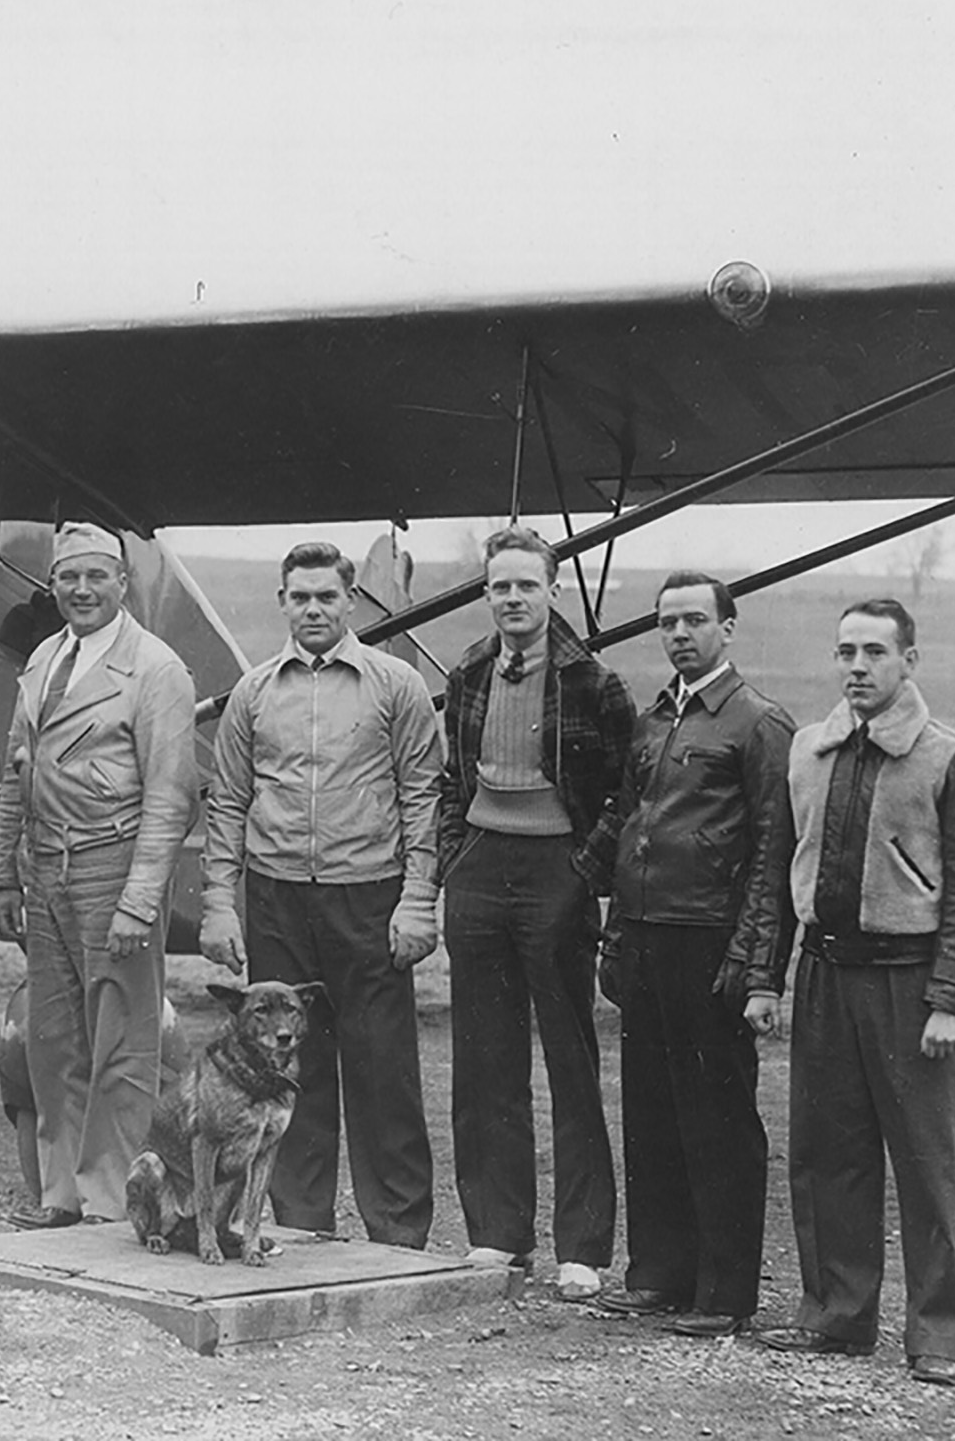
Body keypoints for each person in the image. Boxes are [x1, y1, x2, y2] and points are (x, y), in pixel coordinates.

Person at [757, 598, 955, 1387]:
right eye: (846, 652)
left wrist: (952, 1001)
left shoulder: (948, 758)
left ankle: (938, 1333)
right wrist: (766, 978)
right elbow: (781, 870)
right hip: (824, 976)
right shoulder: (808, 750)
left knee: (924, 1164)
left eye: (874, 652)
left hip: (908, 982)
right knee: (827, 1155)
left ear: (908, 661)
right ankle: (838, 1314)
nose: (857, 667)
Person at [200, 542, 441, 1247]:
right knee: (282, 1068)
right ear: (282, 602)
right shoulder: (253, 692)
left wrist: (418, 898)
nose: (313, 609)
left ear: (350, 601)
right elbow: (228, 801)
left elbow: (423, 795)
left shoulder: (395, 685)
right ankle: (299, 1226)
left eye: (327, 597)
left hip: (367, 896)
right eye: (300, 597)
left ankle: (397, 1235)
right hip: (277, 899)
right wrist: (218, 902)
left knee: (382, 1069)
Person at [593, 573, 795, 1336]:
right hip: (646, 938)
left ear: (727, 628)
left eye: (695, 620)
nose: (679, 634)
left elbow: (773, 854)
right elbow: (630, 826)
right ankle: (658, 1274)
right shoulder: (655, 719)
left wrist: (754, 964)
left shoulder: (757, 723)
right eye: (667, 622)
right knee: (651, 1112)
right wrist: (616, 935)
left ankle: (724, 1292)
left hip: (710, 943)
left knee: (717, 1117)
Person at [439, 524, 631, 1301]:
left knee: (570, 1059)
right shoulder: (468, 671)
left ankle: (581, 1247)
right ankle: (497, 1232)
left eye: (526, 585)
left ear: (552, 591)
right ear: (486, 594)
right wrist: (455, 858)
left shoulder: (592, 683)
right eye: (500, 586)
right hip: (482, 866)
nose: (512, 598)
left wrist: (585, 871)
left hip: (558, 867)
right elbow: (453, 778)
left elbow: (624, 792)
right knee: (484, 1059)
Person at [0, 521, 198, 1227]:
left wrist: (140, 900)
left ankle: (115, 1200)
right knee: (53, 1040)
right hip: (45, 866)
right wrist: (6, 872)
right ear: (53, 584)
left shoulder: (157, 669)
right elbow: (16, 769)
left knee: (121, 1042)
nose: (82, 590)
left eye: (96, 576)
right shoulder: (46, 657)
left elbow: (171, 796)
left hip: (113, 863)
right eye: (68, 577)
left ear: (122, 582)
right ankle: (62, 1196)